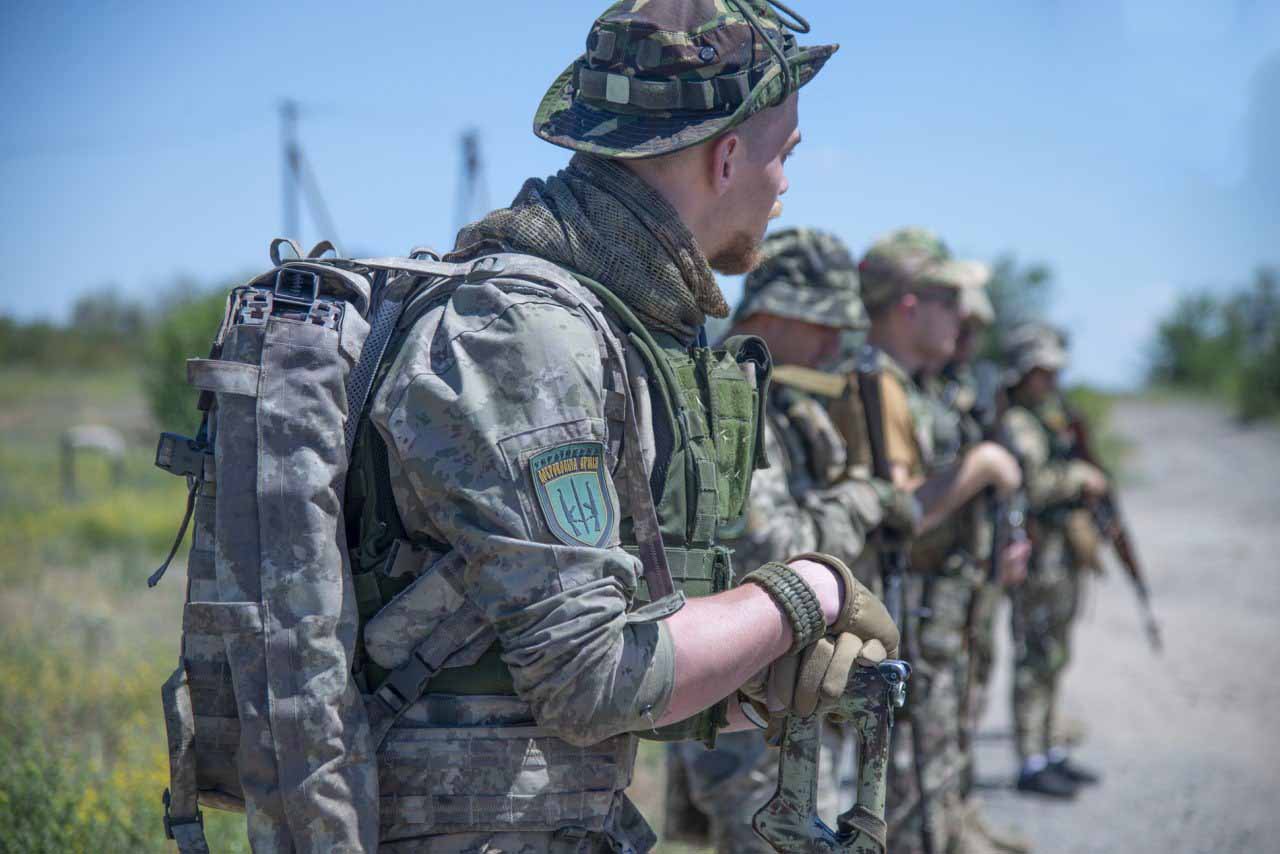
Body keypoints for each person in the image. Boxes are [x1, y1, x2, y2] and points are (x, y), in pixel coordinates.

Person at [355, 3, 900, 851]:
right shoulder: (530, 338)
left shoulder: (607, 327)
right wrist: (806, 591)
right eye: (784, 156)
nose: (785, 187)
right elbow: (589, 679)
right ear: (727, 158)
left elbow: (540, 655)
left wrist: (753, 676)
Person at [665, 227, 918, 852]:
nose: (834, 345)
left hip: (785, 699)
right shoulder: (730, 404)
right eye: (822, 324)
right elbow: (775, 552)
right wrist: (863, 499)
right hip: (751, 716)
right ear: (774, 312)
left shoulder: (786, 405)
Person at [829, 228, 1024, 854]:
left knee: (930, 766)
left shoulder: (909, 385)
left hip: (930, 604)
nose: (961, 317)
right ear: (909, 306)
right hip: (897, 606)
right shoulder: (876, 384)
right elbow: (899, 508)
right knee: (905, 782)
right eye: (948, 301)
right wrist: (982, 467)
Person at [919, 277, 1033, 853]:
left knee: (972, 686)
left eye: (974, 333)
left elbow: (1010, 478)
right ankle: (943, 821)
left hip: (975, 569)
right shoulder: (919, 389)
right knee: (935, 707)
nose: (965, 342)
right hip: (933, 576)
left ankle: (960, 813)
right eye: (961, 329)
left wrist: (1014, 536)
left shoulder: (976, 389)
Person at [999, 323, 1106, 799]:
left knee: (1056, 655)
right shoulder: (1018, 423)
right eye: (1041, 372)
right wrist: (1078, 477)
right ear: (1023, 373)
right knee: (1035, 657)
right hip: (1039, 556)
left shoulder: (1050, 416)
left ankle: (1050, 746)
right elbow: (1033, 485)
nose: (1051, 380)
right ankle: (1031, 758)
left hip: (1060, 555)